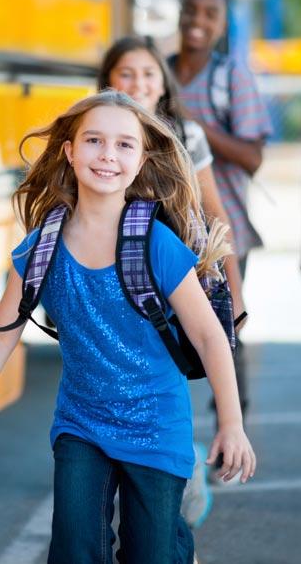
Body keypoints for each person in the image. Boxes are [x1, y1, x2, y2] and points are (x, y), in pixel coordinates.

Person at [0, 90, 256, 563]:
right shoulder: (41, 248)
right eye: (94, 140)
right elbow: (4, 326)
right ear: (70, 151)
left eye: (124, 145)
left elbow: (209, 336)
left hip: (156, 427)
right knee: (73, 550)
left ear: (140, 161)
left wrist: (232, 424)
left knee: (151, 554)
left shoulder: (154, 242)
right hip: (82, 424)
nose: (107, 155)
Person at [98, 36, 247, 524]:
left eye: (148, 73)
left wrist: (235, 295)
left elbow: (213, 215)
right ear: (107, 81)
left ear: (164, 83)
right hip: (108, 285)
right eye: (126, 73)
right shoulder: (90, 132)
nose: (137, 82)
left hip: (169, 283)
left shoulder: (184, 135)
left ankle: (179, 482)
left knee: (163, 389)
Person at [169, 0, 271, 426]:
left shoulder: (232, 77)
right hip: (164, 229)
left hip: (219, 230)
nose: (197, 20)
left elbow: (252, 158)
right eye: (191, 10)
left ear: (222, 23)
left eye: (210, 13)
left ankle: (234, 420)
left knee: (224, 324)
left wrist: (192, 126)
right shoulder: (160, 71)